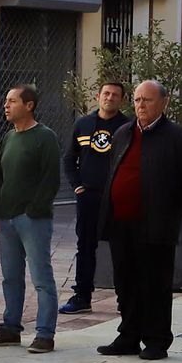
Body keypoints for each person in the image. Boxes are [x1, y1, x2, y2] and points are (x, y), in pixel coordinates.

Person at [97, 80, 182, 361]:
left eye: (147, 100)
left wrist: (171, 210)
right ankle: (129, 336)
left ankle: (157, 340)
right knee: (125, 282)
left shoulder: (178, 138)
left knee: (155, 284)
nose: (140, 105)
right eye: (136, 100)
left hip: (155, 226)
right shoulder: (123, 133)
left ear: (163, 103)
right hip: (121, 222)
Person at [0, 85, 61, 353]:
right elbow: (1, 177)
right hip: (7, 219)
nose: (6, 105)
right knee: (10, 277)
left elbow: (51, 178)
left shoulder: (45, 137)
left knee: (41, 278)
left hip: (33, 220)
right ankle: (10, 328)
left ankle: (45, 333)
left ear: (29, 106)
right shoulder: (9, 137)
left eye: (12, 101)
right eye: (6, 101)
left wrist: (34, 210)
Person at [61, 82, 132, 314]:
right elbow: (69, 159)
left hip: (117, 198)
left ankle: (126, 299)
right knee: (85, 246)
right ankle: (82, 297)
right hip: (88, 197)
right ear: (98, 96)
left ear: (122, 99)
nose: (109, 98)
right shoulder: (83, 124)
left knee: (121, 248)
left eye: (115, 95)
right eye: (106, 93)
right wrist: (77, 186)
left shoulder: (128, 127)